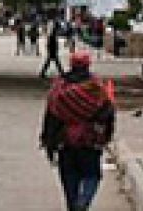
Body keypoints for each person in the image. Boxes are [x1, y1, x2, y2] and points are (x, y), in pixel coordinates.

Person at [39, 50, 115, 211]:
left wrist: (48, 141)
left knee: (69, 178)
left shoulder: (59, 87)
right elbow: (108, 113)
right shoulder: (96, 87)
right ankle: (83, 201)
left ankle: (74, 205)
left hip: (65, 141)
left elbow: (51, 116)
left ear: (71, 64)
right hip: (90, 140)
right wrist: (106, 136)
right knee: (92, 175)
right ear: (88, 64)